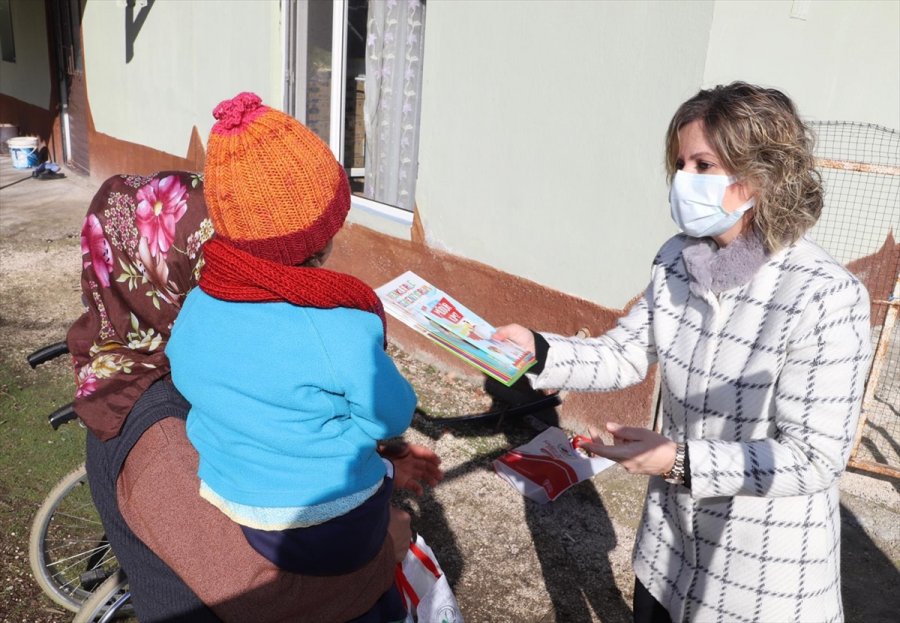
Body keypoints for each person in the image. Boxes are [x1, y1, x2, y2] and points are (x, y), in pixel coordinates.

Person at [495, 82, 871, 622]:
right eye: (679, 164)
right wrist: (538, 350)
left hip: (760, 572)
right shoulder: (678, 259)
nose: (682, 182)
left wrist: (677, 460)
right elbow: (625, 352)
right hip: (669, 553)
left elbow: (815, 456)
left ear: (759, 175)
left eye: (702, 165)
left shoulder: (824, 293)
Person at [67, 171, 442, 622]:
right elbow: (262, 597)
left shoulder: (182, 358)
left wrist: (380, 459)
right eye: (216, 262)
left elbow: (272, 428)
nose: (245, 278)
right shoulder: (159, 441)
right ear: (166, 274)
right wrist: (387, 547)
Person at [165, 92, 417, 619]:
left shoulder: (201, 299)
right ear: (323, 232)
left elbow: (187, 372)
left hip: (234, 497)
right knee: (384, 586)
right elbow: (391, 416)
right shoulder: (336, 323)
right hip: (330, 523)